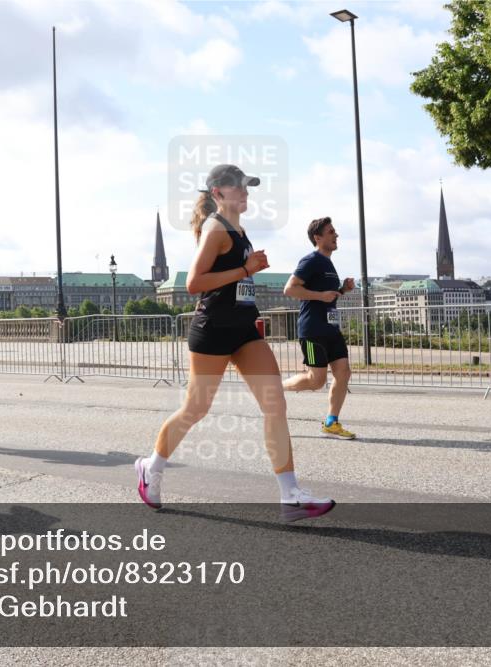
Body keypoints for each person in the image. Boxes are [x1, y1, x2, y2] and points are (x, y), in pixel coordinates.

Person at [135, 164, 335, 523]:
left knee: (274, 404)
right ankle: (152, 468)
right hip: (212, 329)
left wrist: (249, 269)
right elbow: (194, 283)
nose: (246, 192)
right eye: (239, 187)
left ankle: (290, 495)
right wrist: (246, 269)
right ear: (218, 193)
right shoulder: (215, 228)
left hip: (243, 327)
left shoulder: (238, 229)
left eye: (247, 187)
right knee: (196, 409)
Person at [282, 216, 356, 440]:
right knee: (316, 380)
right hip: (313, 329)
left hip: (331, 328)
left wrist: (342, 290)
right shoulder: (311, 260)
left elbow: (328, 297)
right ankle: (275, 388)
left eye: (335, 231)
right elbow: (290, 289)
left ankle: (331, 422)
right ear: (318, 237)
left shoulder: (329, 263)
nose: (336, 235)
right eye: (331, 232)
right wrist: (319, 295)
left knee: (343, 372)